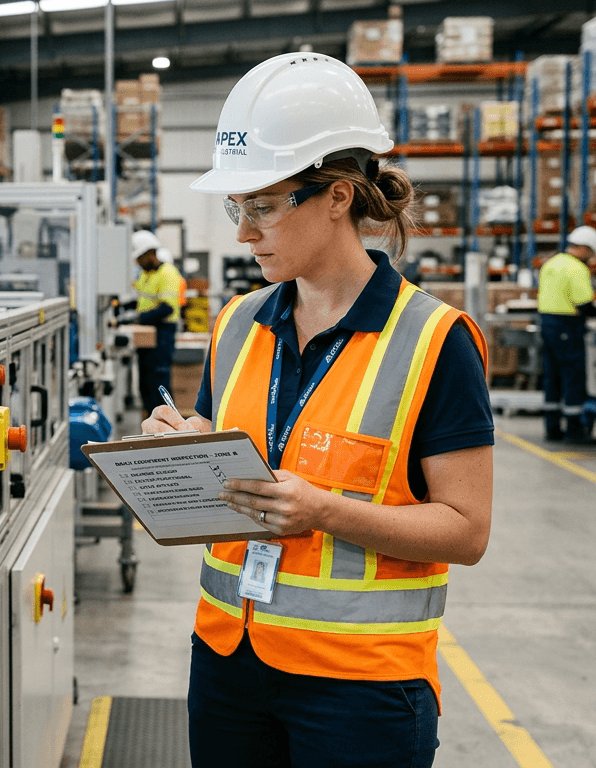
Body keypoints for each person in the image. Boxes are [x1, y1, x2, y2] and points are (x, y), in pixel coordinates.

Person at [141, 53, 494, 768]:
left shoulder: (434, 341)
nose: (244, 233)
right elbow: (242, 451)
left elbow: (466, 531)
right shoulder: (237, 321)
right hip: (227, 660)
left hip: (359, 687)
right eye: (236, 208)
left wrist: (325, 512)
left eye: (263, 206)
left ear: (337, 196)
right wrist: (188, 449)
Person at [538, 226, 596, 443]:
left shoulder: (552, 262)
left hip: (547, 323)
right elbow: (584, 304)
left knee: (552, 378)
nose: (593, 258)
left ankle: (552, 428)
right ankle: (575, 431)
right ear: (585, 249)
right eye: (592, 252)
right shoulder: (576, 268)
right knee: (572, 377)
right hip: (567, 325)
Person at [131, 230, 183, 416]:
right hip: (147, 333)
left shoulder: (168, 273)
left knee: (159, 380)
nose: (137, 262)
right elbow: (142, 300)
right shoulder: (146, 274)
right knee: (145, 380)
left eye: (140, 257)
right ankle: (151, 422)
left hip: (162, 333)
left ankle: (168, 424)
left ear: (150, 254)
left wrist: (137, 319)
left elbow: (167, 308)